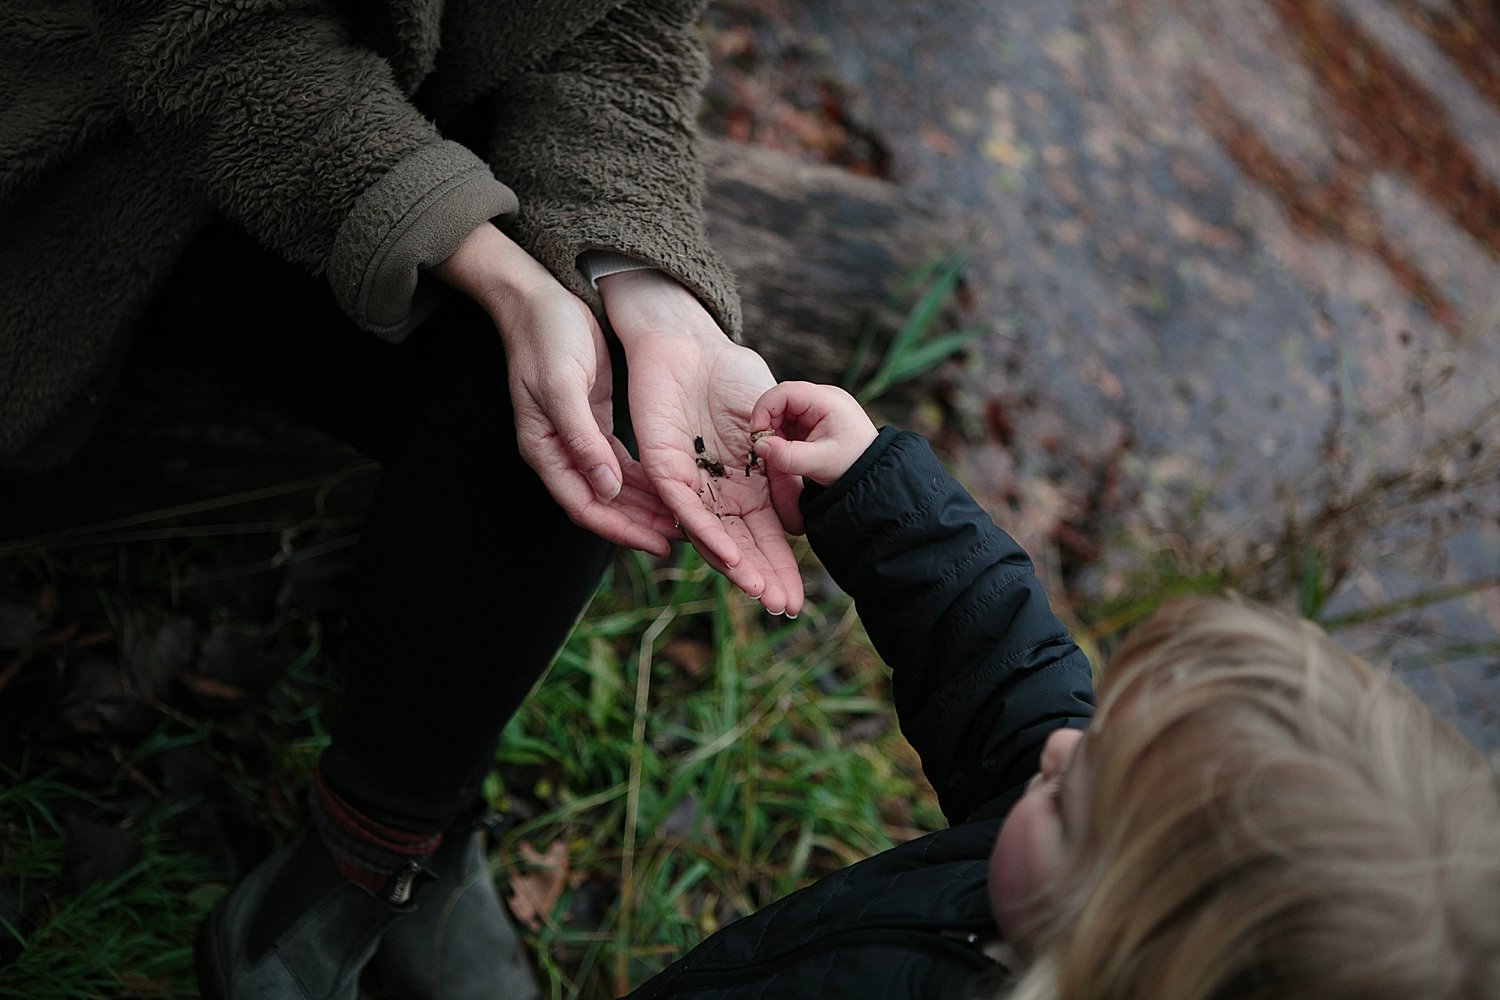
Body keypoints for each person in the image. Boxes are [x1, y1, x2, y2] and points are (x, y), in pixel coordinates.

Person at [1, 2, 801, 998]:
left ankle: (393, 838)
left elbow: (616, 33)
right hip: (115, 127)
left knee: (612, 381)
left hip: (380, 86)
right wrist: (508, 283)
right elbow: (208, 42)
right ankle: (373, 852)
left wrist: (651, 300)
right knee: (530, 360)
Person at [617, 379, 1500, 999]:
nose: (1061, 747)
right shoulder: (1056, 846)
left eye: (1077, 800)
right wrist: (871, 484)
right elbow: (999, 653)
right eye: (1102, 737)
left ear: (1118, 947)